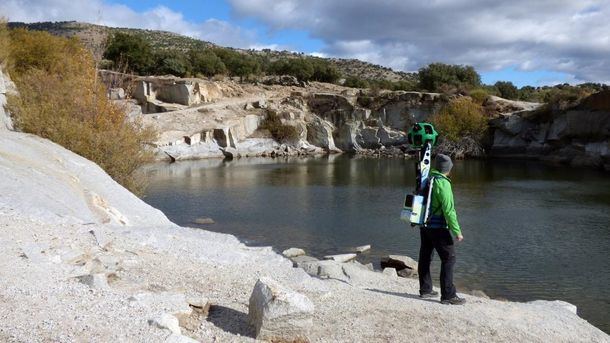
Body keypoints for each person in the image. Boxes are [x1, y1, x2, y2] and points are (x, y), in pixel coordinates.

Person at [418, 154, 465, 305]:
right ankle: (448, 295)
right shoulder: (443, 183)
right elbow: (449, 210)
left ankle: (425, 290)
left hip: (425, 225)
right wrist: (457, 231)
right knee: (449, 258)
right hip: (438, 227)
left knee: (425, 256)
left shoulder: (428, 178)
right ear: (448, 168)